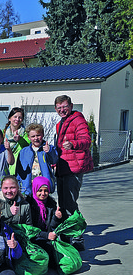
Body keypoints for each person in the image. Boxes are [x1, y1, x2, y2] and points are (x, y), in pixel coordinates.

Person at [54, 95, 93, 250]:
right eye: (59, 108)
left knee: (70, 204)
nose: (62, 110)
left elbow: (87, 141)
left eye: (65, 107)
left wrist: (74, 144)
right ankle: (66, 235)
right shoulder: (60, 124)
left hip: (74, 168)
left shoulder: (78, 120)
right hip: (63, 167)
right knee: (62, 204)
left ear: (70, 106)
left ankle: (77, 238)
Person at [26, 176, 66, 260]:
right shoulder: (29, 204)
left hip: (47, 236)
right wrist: (46, 235)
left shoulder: (50, 204)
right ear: (34, 189)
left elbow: (52, 226)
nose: (43, 193)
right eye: (40, 190)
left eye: (46, 191)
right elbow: (29, 229)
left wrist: (56, 218)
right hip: (33, 237)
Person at [15, 123, 58, 196]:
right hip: (28, 186)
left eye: (38, 135)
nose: (36, 138)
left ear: (43, 135)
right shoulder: (24, 152)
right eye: (33, 136)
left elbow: (54, 160)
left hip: (43, 187)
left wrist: (49, 151)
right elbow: (19, 170)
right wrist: (19, 184)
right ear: (28, 137)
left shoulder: (49, 148)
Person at [3, 107, 29, 174]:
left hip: (20, 167)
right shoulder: (4, 133)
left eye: (20, 117)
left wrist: (20, 140)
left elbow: (28, 147)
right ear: (9, 118)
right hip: (5, 166)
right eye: (15, 117)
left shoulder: (26, 133)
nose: (17, 119)